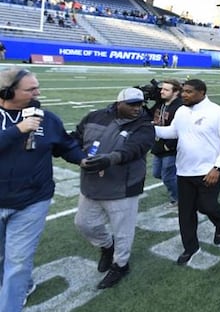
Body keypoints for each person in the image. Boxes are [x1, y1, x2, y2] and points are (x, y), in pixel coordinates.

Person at [0, 69, 86, 311]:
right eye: (31, 89)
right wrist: (18, 130)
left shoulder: (46, 118)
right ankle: (25, 285)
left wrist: (83, 160)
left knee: (17, 261)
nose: (38, 93)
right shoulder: (18, 123)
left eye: (37, 87)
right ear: (7, 92)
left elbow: (65, 145)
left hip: (32, 200)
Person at [72, 88, 155, 289]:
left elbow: (134, 149)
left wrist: (109, 160)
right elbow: (76, 137)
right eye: (132, 104)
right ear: (119, 103)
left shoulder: (144, 126)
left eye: (140, 104)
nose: (138, 108)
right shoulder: (94, 116)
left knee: (123, 232)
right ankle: (106, 246)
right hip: (91, 183)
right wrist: (73, 154)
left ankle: (120, 265)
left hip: (123, 187)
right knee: (84, 224)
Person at [154, 79, 220, 265]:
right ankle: (190, 248)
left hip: (209, 171)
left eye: (189, 92)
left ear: (202, 92)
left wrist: (217, 167)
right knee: (186, 213)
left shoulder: (218, 113)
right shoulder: (182, 111)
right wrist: (149, 129)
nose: (184, 94)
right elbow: (173, 132)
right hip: (184, 171)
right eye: (183, 91)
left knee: (206, 206)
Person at [150, 79, 182, 206]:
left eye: (166, 90)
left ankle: (178, 199)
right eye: (162, 89)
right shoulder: (161, 103)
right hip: (158, 145)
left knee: (168, 176)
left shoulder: (180, 107)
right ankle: (182, 186)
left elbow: (181, 130)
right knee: (157, 173)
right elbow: (150, 115)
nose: (162, 92)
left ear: (175, 92)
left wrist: (169, 145)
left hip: (171, 147)